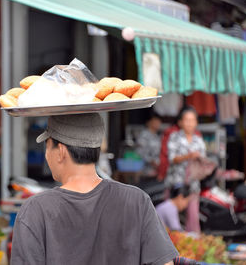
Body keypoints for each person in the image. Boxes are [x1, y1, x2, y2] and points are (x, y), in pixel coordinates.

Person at [11, 113, 178, 265]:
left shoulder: (35, 210)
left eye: (47, 146)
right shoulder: (136, 200)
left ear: (60, 151)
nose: (46, 155)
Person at [165, 107, 206, 233]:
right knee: (170, 218)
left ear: (196, 123)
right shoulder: (174, 137)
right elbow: (172, 158)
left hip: (192, 186)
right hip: (175, 185)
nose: (189, 123)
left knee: (193, 219)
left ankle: (193, 247)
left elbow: (203, 161)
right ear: (180, 122)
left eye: (192, 120)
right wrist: (188, 156)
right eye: (186, 120)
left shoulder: (198, 140)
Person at [136, 113, 162, 178]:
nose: (157, 123)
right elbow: (139, 152)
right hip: (145, 170)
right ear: (149, 122)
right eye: (155, 121)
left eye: (159, 122)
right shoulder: (144, 135)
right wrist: (151, 161)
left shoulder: (157, 136)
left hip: (156, 170)